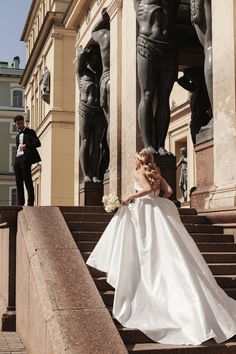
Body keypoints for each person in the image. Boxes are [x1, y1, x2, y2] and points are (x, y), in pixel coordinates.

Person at [87, 148, 236, 345]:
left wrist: (131, 198)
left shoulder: (138, 173)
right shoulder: (157, 173)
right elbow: (169, 192)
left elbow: (147, 190)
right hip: (159, 212)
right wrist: (158, 201)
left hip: (146, 213)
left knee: (149, 247)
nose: (135, 163)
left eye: (135, 159)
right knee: (170, 249)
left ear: (139, 161)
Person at [133, 0, 180, 155]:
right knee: (147, 94)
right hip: (147, 44)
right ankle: (147, 144)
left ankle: (160, 144)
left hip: (170, 46)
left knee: (164, 98)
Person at [76, 45, 107, 183]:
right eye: (94, 56)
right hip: (85, 109)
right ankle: (86, 175)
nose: (97, 59)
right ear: (89, 58)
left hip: (99, 111)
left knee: (97, 144)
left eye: (99, 57)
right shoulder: (81, 72)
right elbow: (80, 56)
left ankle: (94, 175)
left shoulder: (102, 72)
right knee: (85, 141)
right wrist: (83, 52)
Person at [13, 115, 41, 206]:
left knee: (27, 180)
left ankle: (30, 203)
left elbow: (38, 143)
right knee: (18, 182)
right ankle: (21, 203)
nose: (20, 125)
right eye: (18, 124)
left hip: (26, 158)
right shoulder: (17, 136)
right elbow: (17, 148)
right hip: (17, 159)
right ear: (16, 124)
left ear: (24, 122)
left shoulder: (30, 132)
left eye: (21, 123)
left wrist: (26, 146)